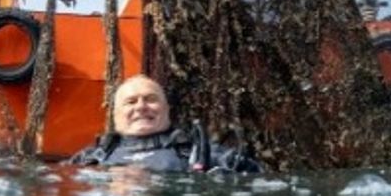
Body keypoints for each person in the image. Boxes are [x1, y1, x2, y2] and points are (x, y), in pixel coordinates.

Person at [70, 74, 259, 173]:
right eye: (131, 102)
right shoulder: (87, 160)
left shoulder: (208, 156)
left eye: (151, 99)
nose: (141, 107)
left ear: (167, 109)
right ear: (115, 115)